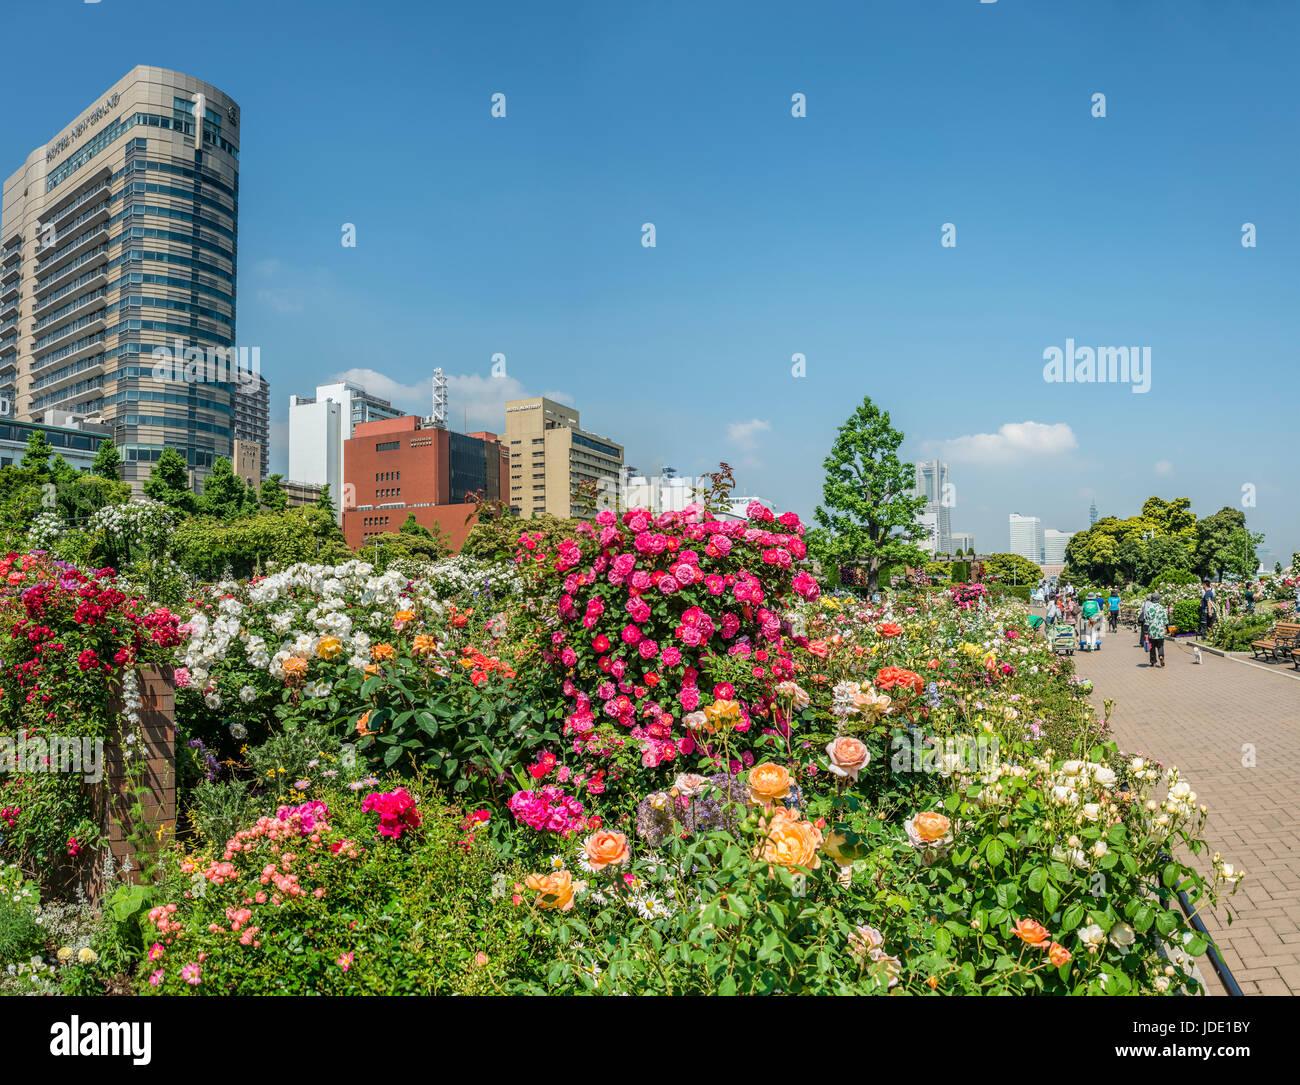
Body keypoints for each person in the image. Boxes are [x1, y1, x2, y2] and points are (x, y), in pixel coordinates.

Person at [1146, 593, 1169, 669]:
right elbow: (1165, 620)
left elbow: (1146, 621)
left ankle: (1153, 662)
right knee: (1160, 645)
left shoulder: (1149, 608)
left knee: (1151, 647)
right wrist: (1167, 629)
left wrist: (1146, 632)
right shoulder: (1162, 608)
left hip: (1152, 630)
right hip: (1160, 630)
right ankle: (1161, 655)